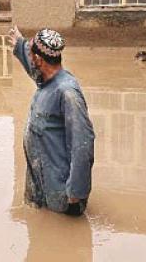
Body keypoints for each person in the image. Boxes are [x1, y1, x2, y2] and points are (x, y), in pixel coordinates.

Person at [8, 26, 95, 216]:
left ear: (39, 59)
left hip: (60, 195)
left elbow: (83, 144)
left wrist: (75, 194)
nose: (30, 59)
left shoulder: (67, 93)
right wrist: (20, 45)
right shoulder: (46, 80)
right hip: (40, 186)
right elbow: (33, 68)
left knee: (63, 242)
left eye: (31, 55)